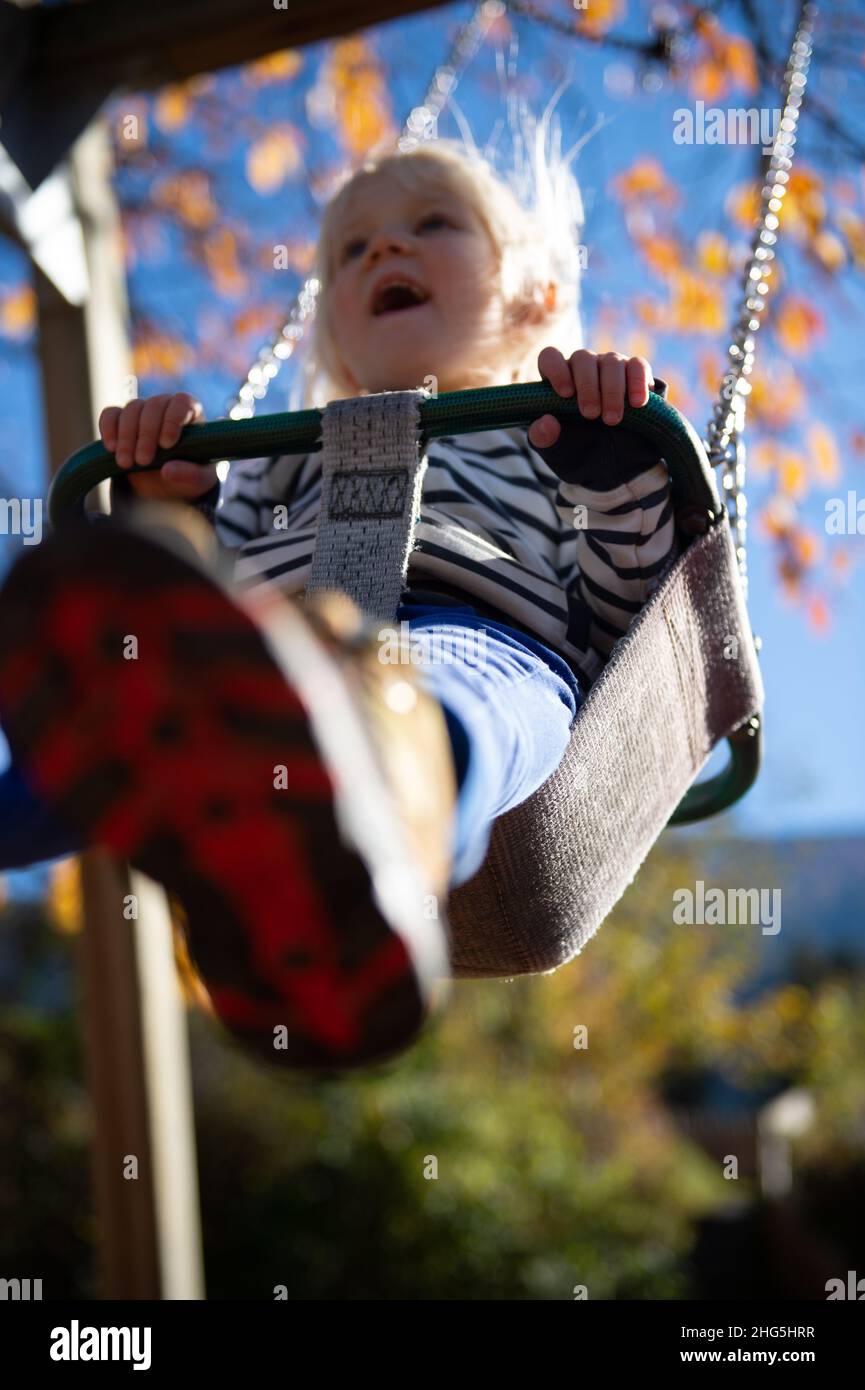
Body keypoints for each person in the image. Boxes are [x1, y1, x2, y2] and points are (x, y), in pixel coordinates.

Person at [0, 138, 677, 1069]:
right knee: (142, 698)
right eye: (352, 250)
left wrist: (616, 484)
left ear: (531, 297)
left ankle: (388, 790)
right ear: (335, 338)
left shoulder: (555, 429)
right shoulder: (286, 448)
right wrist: (173, 502)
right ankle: (239, 803)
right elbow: (213, 591)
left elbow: (625, 622)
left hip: (479, 632)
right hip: (282, 655)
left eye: (431, 225)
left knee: (488, 694)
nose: (384, 252)